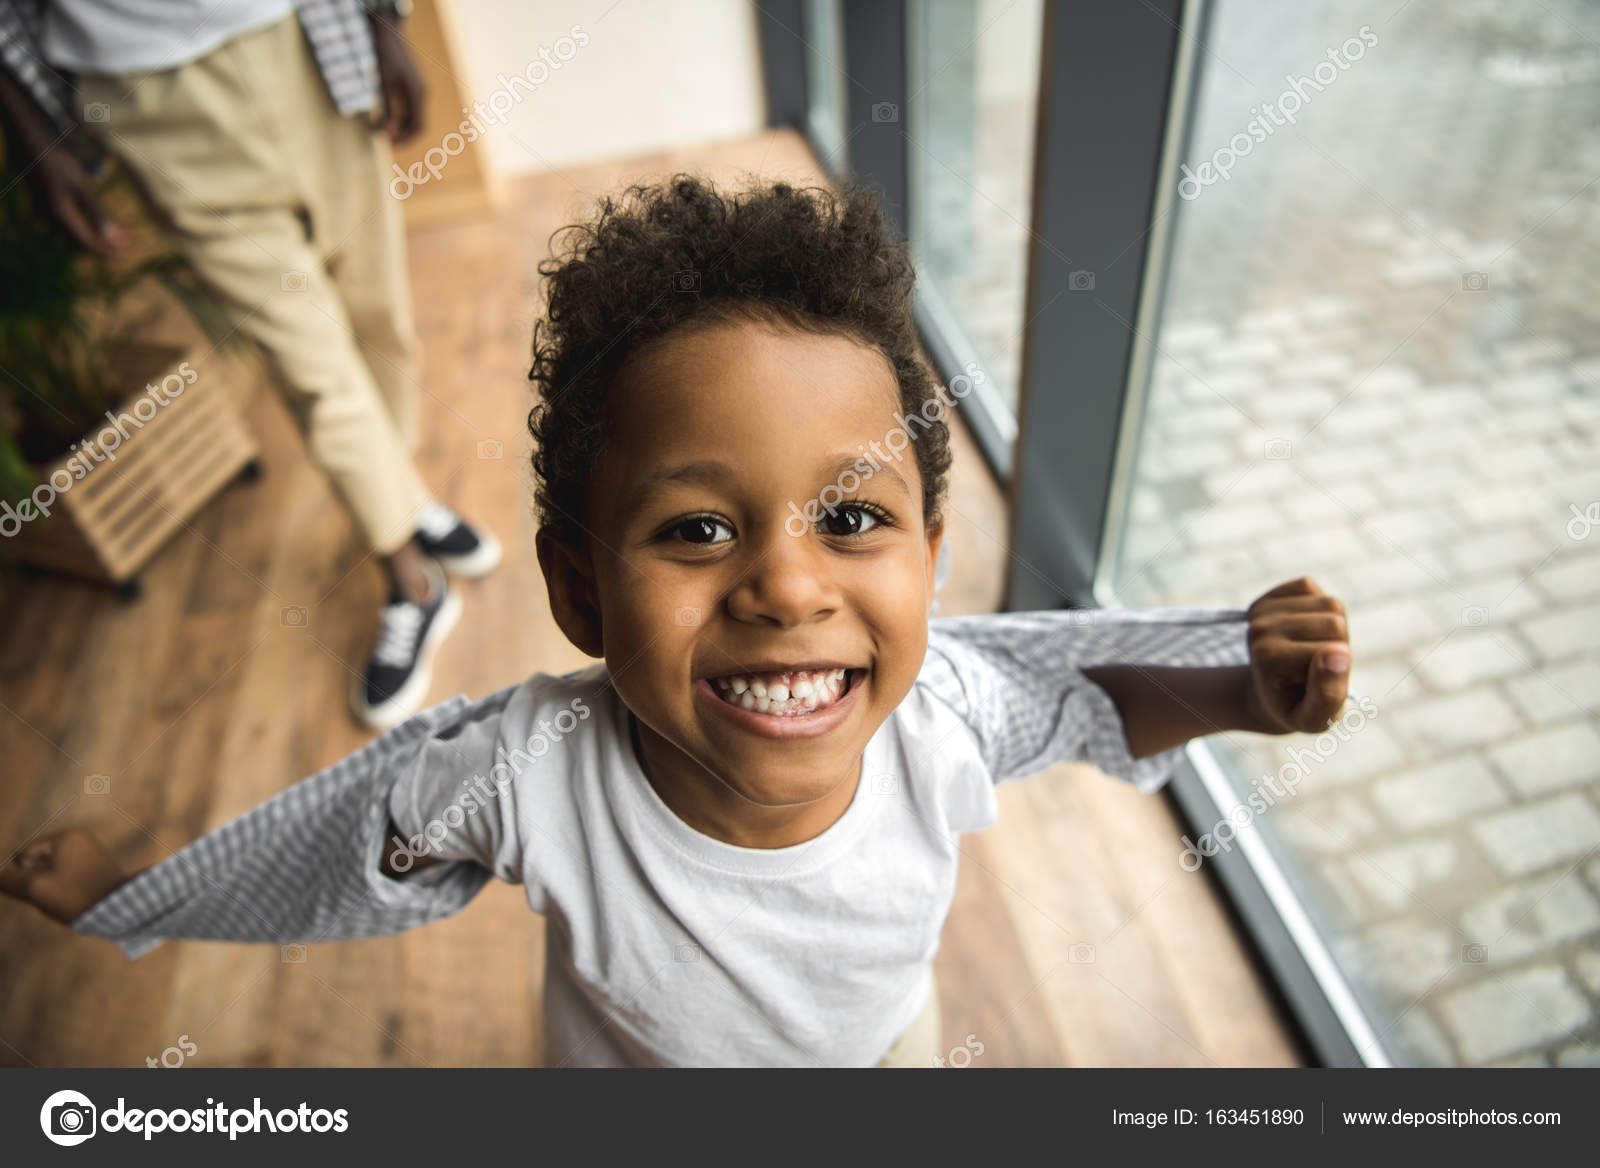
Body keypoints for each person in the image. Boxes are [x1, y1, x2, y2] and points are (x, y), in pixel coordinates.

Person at [0, 178, 1356, 1068]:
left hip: (889, 1050)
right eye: (699, 529)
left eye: (852, 521)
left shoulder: (945, 708)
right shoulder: (524, 776)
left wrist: (1241, 690)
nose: (784, 587)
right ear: (581, 589)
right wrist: (147, 883)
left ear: (933, 565)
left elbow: (1093, 700)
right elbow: (337, 847)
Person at [0, 0, 499, 729]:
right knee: (311, 363)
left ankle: (405, 499)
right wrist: (34, 136)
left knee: (376, 318)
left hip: (305, 40)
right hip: (140, 92)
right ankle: (413, 581)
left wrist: (387, 21)